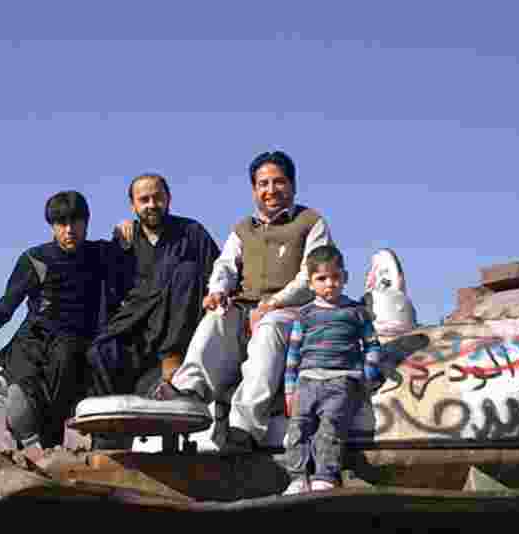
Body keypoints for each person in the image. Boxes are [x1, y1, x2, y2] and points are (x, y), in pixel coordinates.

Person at [153, 150, 333, 451]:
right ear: (254, 189)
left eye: (279, 182)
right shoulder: (242, 228)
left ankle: (244, 427)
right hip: (245, 305)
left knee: (268, 330)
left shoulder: (311, 222)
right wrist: (218, 291)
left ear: (292, 186)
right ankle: (188, 393)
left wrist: (272, 304)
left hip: (290, 309)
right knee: (216, 319)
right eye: (263, 183)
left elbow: (310, 276)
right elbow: (225, 265)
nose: (271, 190)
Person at [0, 191, 118, 452]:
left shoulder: (102, 254)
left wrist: (127, 229)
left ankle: (54, 453)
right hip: (33, 341)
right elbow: (6, 306)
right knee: (21, 399)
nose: (68, 230)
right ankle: (32, 454)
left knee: (64, 386)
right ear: (52, 226)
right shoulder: (36, 259)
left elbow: (141, 253)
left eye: (75, 222)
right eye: (60, 223)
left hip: (74, 346)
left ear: (86, 222)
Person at [87, 173, 220, 398]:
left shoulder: (191, 232)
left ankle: (172, 358)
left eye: (157, 198)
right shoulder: (125, 239)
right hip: (137, 323)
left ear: (168, 198)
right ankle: (113, 426)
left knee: (188, 270)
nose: (151, 205)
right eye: (144, 199)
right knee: (100, 351)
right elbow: (111, 289)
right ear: (133, 205)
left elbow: (218, 272)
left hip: (176, 324)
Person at [281, 245, 383, 494]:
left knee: (331, 429)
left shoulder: (356, 312)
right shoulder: (305, 314)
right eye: (321, 279)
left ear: (345, 278)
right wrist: (289, 389)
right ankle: (297, 478)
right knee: (297, 429)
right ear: (310, 282)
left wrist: (367, 375)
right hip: (307, 380)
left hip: (342, 380)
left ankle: (324, 476)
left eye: (335, 278)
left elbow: (372, 345)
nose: (330, 284)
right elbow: (293, 353)